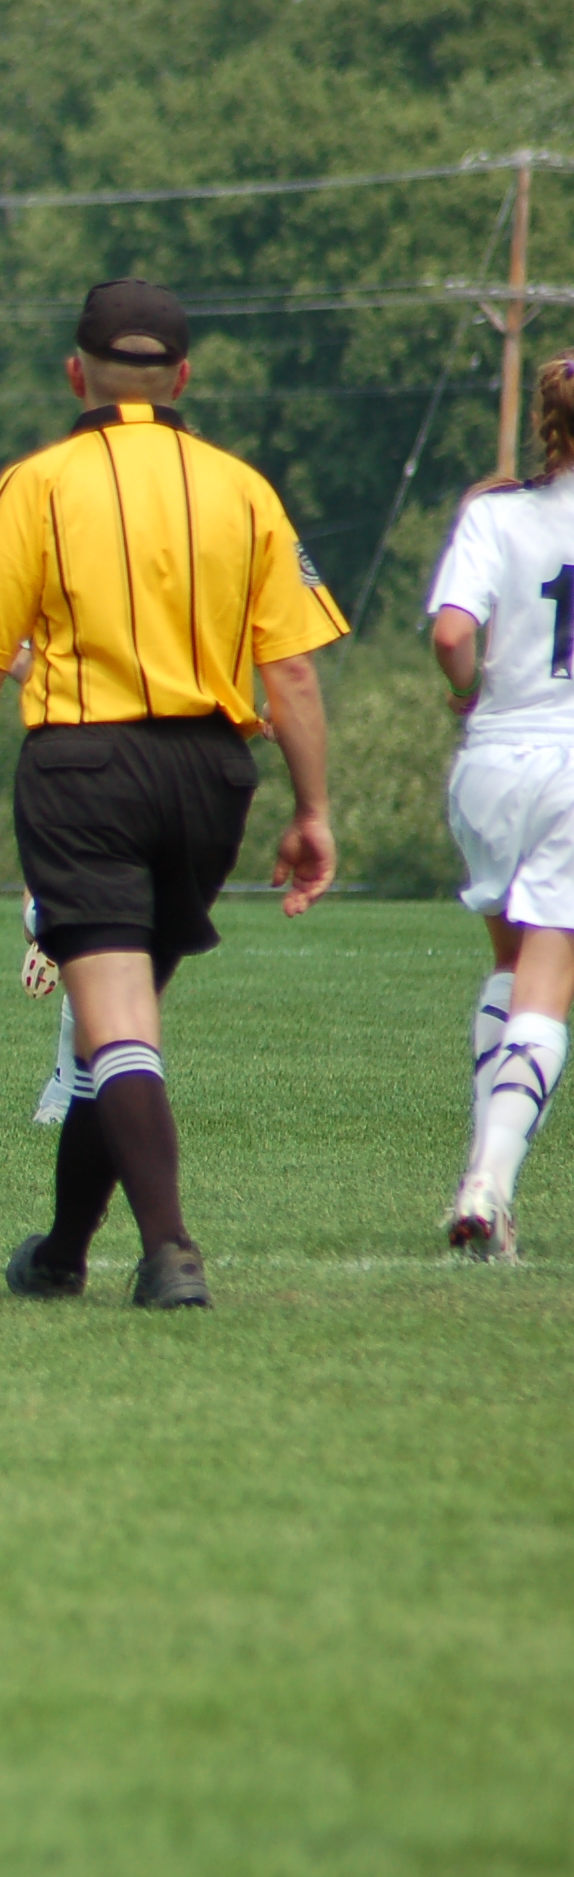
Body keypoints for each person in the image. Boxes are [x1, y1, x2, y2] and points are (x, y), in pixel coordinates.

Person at [0, 279, 344, 1308]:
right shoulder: (243, 488)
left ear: (76, 373)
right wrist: (311, 810)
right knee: (119, 1031)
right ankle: (62, 1252)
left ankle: (170, 1251)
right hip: (210, 777)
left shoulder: (37, 482)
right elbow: (289, 671)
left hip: (86, 769)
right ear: (182, 376)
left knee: (114, 1026)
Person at [424, 352, 574, 1258]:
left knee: (510, 965)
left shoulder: (495, 512)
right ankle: (489, 1177)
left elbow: (452, 632)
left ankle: (490, 1196)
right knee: (549, 986)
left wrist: (466, 690)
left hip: (491, 763)